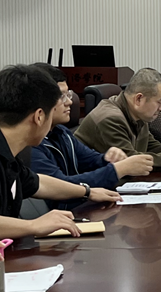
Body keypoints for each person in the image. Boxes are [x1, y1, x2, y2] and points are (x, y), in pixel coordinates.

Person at [0, 65, 121, 238]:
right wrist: (33, 225)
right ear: (39, 117)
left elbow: (38, 183)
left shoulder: (10, 155)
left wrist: (87, 192)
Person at [30, 64, 154, 194]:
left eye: (68, 94)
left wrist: (108, 158)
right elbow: (60, 186)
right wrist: (118, 170)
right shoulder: (32, 145)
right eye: (61, 96)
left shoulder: (61, 132)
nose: (69, 102)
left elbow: (89, 160)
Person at [75, 68, 161, 170]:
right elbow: (131, 161)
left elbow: (153, 147)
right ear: (139, 99)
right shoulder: (110, 119)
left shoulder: (138, 114)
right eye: (160, 101)